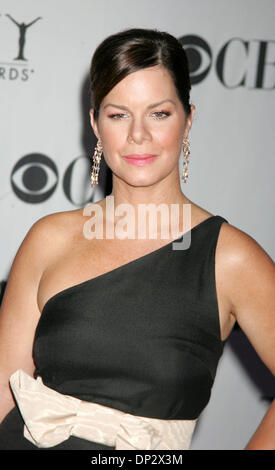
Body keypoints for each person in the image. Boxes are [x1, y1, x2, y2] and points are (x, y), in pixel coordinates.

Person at [0, 27, 274, 451]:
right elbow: (3, 391)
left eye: (159, 113)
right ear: (95, 123)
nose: (138, 135)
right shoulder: (49, 238)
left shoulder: (229, 257)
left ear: (188, 117)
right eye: (118, 114)